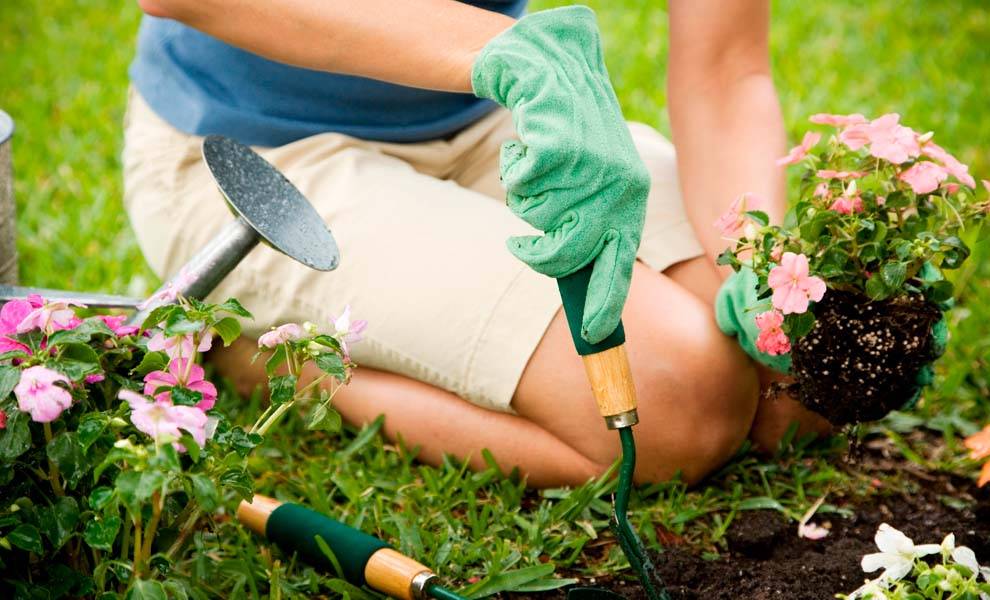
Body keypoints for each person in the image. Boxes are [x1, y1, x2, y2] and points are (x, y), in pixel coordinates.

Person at [124, 0, 829, 488]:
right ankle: (273, 361)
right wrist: (504, 52)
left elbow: (725, 70)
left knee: (799, 391)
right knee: (677, 409)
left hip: (486, 114)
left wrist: (757, 258)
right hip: (259, 159)